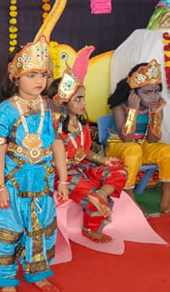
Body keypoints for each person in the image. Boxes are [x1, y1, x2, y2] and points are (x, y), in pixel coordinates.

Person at [0, 38, 68, 292]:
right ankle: (7, 280)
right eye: (31, 75)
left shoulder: (52, 108)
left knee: (42, 229)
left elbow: (57, 145)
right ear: (15, 78)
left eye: (43, 75)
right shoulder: (5, 111)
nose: (39, 81)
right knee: (9, 230)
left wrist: (63, 180)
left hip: (43, 181)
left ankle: (38, 274)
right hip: (14, 182)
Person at [53, 68, 127, 242]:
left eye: (83, 97)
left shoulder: (81, 124)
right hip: (62, 173)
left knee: (120, 171)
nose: (84, 103)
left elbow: (84, 151)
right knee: (98, 200)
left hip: (82, 166)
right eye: (78, 99)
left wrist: (103, 160)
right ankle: (90, 228)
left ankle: (100, 193)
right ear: (63, 102)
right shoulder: (54, 129)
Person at [105, 60, 170, 213]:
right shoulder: (120, 106)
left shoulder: (155, 107)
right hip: (118, 147)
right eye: (147, 92)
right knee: (133, 149)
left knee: (167, 150)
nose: (153, 97)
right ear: (134, 93)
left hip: (140, 146)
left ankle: (166, 197)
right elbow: (127, 139)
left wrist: (156, 114)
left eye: (156, 91)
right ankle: (129, 196)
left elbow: (152, 140)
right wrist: (133, 110)